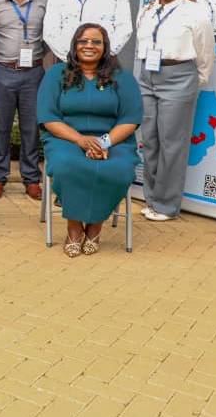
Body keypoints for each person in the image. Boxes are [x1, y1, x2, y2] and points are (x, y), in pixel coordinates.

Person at [38, 24, 143, 257]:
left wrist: (103, 143)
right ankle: (74, 228)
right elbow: (47, 117)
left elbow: (131, 118)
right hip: (66, 138)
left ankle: (95, 226)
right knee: (68, 166)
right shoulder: (56, 74)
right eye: (83, 41)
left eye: (96, 42)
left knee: (118, 169)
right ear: (75, 45)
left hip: (113, 141)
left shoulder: (122, 77)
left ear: (105, 48)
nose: (89, 46)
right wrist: (81, 141)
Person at [134, 0, 215, 221]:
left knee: (172, 144)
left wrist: (195, 80)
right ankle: (151, 199)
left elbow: (205, 52)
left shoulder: (195, 12)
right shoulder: (147, 10)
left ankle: (166, 206)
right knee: (150, 141)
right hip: (148, 76)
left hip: (179, 76)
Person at [0, 0, 47, 201]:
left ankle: (31, 179)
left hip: (34, 73)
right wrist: (0, 54)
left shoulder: (44, 2)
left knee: (30, 128)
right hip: (3, 72)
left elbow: (49, 35)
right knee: (0, 127)